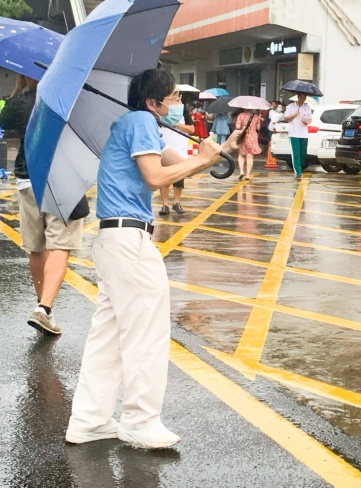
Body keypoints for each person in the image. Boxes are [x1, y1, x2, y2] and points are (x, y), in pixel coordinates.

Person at [65, 69, 240, 448]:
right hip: (129, 242)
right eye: (174, 97)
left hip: (115, 240)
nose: (179, 105)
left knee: (108, 336)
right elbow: (156, 178)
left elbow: (177, 162)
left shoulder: (136, 123)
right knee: (147, 331)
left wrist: (210, 155)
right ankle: (140, 421)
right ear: (153, 102)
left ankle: (89, 420)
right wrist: (202, 160)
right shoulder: (142, 121)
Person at [0, 74, 84, 336]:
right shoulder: (69, 96)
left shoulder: (21, 100)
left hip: (27, 177)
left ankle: (44, 309)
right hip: (62, 177)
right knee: (60, 243)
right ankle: (44, 308)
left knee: (36, 247)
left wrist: (19, 88)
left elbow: (6, 120)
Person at [158, 109, 195, 217]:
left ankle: (176, 202)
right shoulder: (160, 112)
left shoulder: (183, 112)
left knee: (179, 178)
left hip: (180, 151)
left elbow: (191, 129)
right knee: (165, 179)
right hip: (165, 150)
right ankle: (165, 205)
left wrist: (177, 125)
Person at [283, 94, 313, 180]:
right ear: (298, 97)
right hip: (294, 133)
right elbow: (286, 118)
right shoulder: (290, 106)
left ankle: (298, 167)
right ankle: (298, 173)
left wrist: (307, 122)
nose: (303, 99)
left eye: (305, 98)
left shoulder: (307, 106)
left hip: (304, 133)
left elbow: (310, 119)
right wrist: (294, 115)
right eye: (302, 97)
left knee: (303, 153)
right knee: (296, 153)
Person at [234, 107, 262, 180]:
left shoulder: (240, 115)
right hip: (253, 136)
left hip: (243, 135)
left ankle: (241, 171)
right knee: (250, 156)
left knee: (241, 154)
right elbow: (258, 128)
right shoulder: (256, 116)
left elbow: (238, 126)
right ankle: (248, 175)